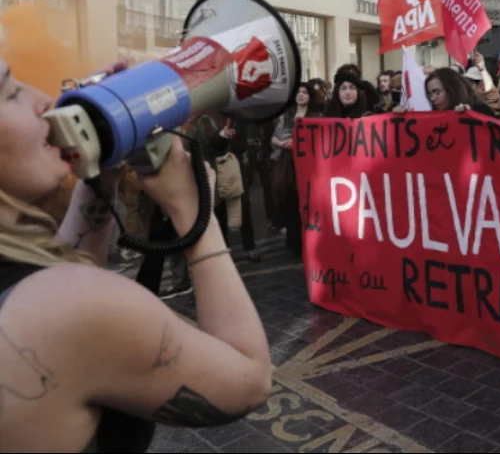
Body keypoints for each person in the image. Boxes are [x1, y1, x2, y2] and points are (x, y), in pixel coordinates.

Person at [0, 58, 271, 452]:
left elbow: (61, 274)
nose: (42, 100)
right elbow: (249, 379)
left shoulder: (42, 297)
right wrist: (194, 211)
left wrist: (100, 161)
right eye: (10, 92)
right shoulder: (62, 307)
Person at [271, 83, 324, 257]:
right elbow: (274, 137)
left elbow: (319, 140)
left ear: (310, 96)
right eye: (298, 92)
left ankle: (309, 241)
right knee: (290, 200)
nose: (301, 95)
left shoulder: (316, 115)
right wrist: (281, 143)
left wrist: (298, 143)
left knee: (307, 201)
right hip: (287, 163)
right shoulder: (287, 114)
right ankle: (293, 242)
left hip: (308, 165)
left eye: (304, 92)